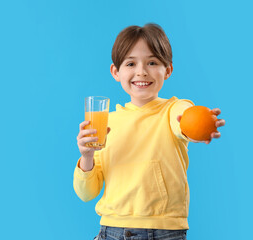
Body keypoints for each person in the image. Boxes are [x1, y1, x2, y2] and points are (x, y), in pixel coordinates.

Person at [73, 23, 226, 240]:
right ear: (116, 72)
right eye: (130, 63)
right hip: (110, 231)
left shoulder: (174, 109)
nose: (141, 71)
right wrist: (86, 156)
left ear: (168, 70)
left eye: (152, 62)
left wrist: (198, 124)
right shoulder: (105, 124)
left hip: (163, 232)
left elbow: (184, 121)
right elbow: (86, 193)